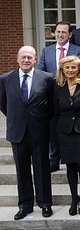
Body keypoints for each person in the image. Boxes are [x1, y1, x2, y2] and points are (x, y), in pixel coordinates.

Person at [0, 46, 54, 220]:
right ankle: (25, 205)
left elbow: (51, 106)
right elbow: (3, 104)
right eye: (23, 57)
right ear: (17, 59)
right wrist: (18, 118)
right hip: (17, 132)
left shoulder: (46, 78)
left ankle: (45, 203)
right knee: (21, 171)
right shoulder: (5, 79)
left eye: (30, 57)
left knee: (42, 169)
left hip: (39, 132)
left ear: (35, 59)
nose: (26, 60)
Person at [37, 20, 80, 172]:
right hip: (52, 95)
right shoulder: (47, 51)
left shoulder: (78, 50)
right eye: (58, 32)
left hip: (72, 95)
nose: (60, 34)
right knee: (53, 128)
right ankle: (54, 159)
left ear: (70, 34)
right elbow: (41, 71)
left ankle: (72, 159)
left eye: (63, 32)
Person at [52, 55, 80, 216]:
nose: (70, 70)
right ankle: (74, 198)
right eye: (67, 67)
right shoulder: (57, 86)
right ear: (62, 69)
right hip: (64, 131)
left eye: (73, 67)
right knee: (70, 166)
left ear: (79, 69)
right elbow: (54, 111)